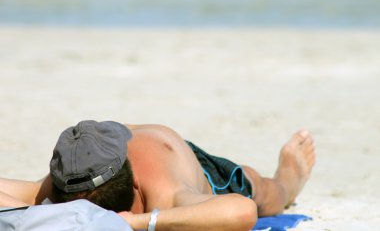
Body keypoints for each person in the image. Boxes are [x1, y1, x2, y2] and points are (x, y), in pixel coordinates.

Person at [0, 120, 316, 231]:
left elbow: (242, 212)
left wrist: (139, 222)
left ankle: (288, 179)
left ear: (133, 181)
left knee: (261, 193)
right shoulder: (63, 185)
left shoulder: (166, 193)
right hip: (97, 147)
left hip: (174, 156)